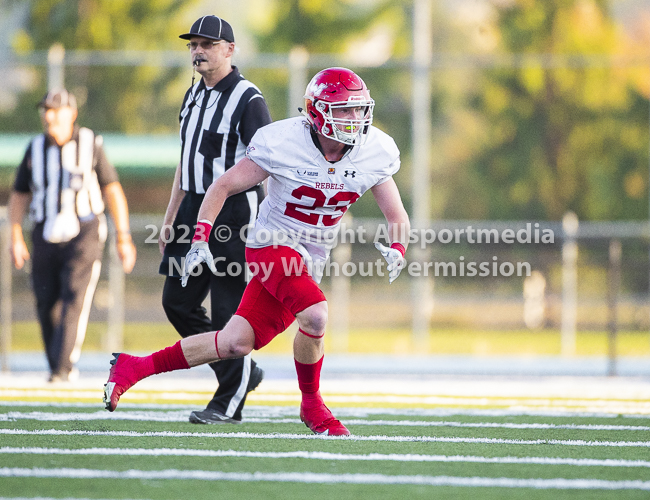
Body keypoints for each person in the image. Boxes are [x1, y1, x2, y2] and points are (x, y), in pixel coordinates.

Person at [104, 67, 410, 436]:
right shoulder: (283, 141)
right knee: (315, 316)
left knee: (235, 343)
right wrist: (199, 238)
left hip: (312, 255)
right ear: (316, 112)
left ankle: (133, 367)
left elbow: (397, 215)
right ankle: (313, 406)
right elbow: (223, 186)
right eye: (342, 109)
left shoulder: (374, 150)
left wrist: (398, 247)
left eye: (358, 109)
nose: (353, 118)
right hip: (271, 244)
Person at [158, 15, 271, 425]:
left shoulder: (248, 98)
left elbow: (269, 164)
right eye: (193, 44)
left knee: (228, 314)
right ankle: (238, 371)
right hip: (191, 214)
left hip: (235, 217)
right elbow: (185, 161)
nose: (198, 51)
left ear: (229, 50)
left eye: (207, 43)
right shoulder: (192, 94)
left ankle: (229, 401)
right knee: (178, 303)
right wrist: (172, 215)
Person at [9, 88, 136, 382]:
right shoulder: (35, 148)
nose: (49, 116)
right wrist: (15, 236)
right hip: (44, 231)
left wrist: (124, 236)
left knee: (73, 298)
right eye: (46, 110)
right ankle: (57, 365)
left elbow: (112, 190)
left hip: (84, 232)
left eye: (55, 110)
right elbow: (19, 195)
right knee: (45, 301)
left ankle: (62, 368)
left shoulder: (91, 144)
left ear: (72, 114)